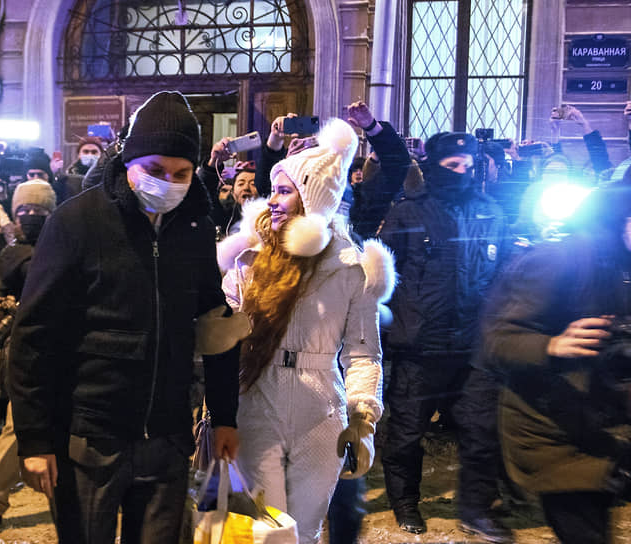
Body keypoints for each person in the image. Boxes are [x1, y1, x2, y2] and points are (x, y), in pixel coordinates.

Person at [6, 90, 242, 543]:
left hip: (168, 436)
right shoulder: (76, 222)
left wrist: (225, 417)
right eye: (154, 170)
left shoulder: (194, 227)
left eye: (181, 173)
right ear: (129, 161)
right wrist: (34, 439)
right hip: (90, 438)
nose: (168, 183)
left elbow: (216, 326)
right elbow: (34, 335)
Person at [217, 118, 393, 543]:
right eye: (273, 191)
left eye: (284, 191)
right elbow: (225, 336)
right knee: (266, 527)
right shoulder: (250, 260)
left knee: (307, 529)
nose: (272, 201)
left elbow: (363, 353)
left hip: (322, 408)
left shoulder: (352, 268)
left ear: (312, 199)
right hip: (258, 398)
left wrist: (363, 417)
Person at [482, 168, 631, 544]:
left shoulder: (617, 262)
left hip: (600, 427)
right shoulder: (556, 259)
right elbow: (496, 340)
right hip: (551, 432)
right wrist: (550, 345)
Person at [378, 132, 511, 541]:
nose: (461, 173)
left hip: (472, 345)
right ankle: (405, 502)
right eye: (453, 166)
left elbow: (502, 272)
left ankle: (476, 509)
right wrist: (397, 324)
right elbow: (384, 275)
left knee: (481, 429)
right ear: (433, 166)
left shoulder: (490, 212)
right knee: (406, 433)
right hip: (420, 346)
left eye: (468, 166)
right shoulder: (408, 213)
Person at [0, 179, 58, 537]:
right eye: (25, 210)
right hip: (28, 352)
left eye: (39, 210)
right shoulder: (12, 253)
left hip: (67, 351)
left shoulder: (65, 245)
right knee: (15, 426)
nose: (31, 216)